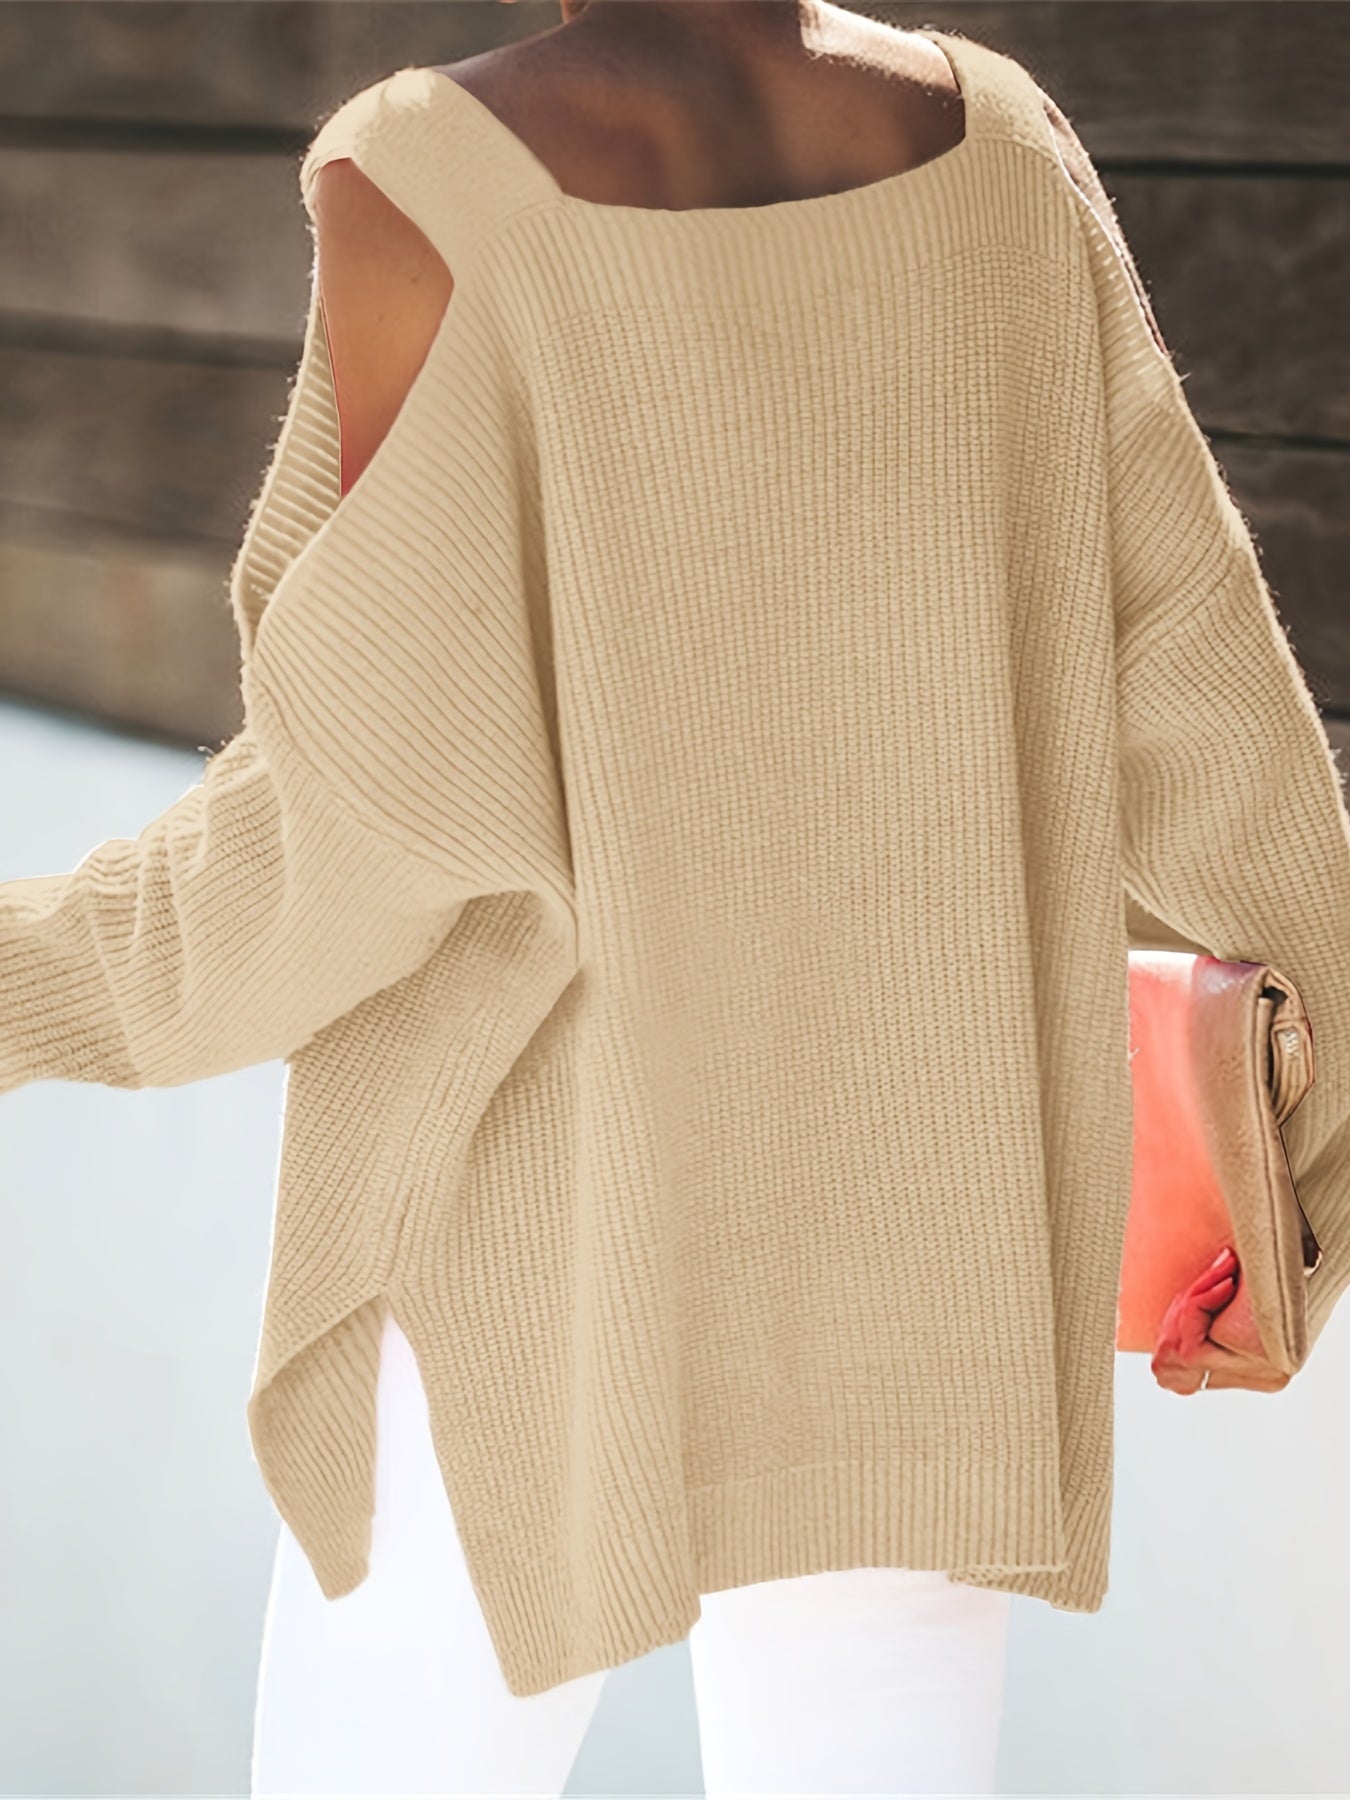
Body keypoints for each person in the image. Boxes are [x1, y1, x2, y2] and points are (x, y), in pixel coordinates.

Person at [6, 1, 1349, 1794]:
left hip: (535, 1240)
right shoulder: (1005, 155)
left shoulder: (428, 177)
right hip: (921, 1239)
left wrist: (28, 978)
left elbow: (355, 834)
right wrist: (1302, 1177)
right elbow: (1221, 729)